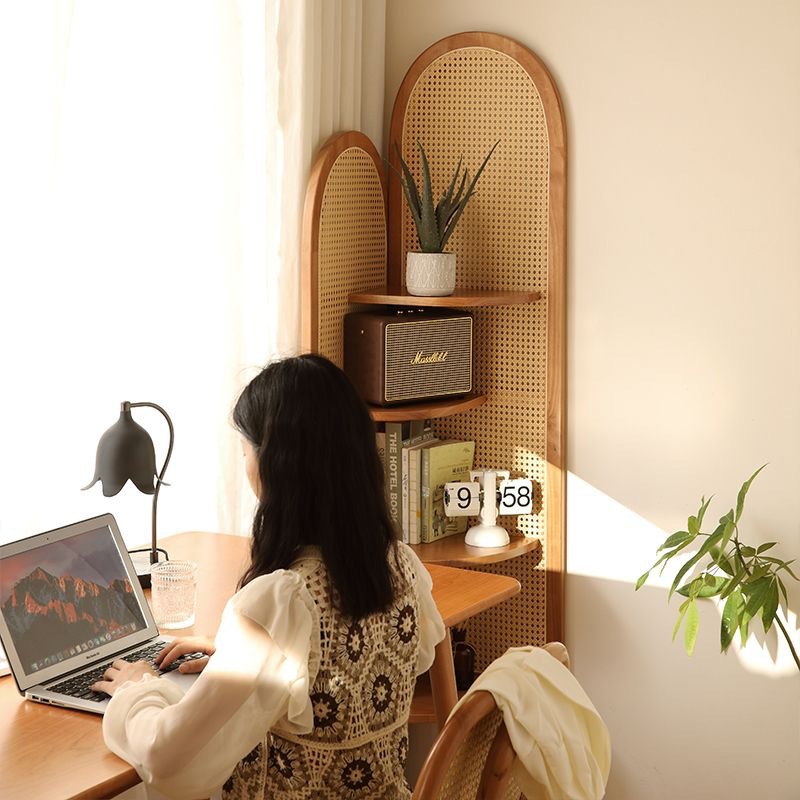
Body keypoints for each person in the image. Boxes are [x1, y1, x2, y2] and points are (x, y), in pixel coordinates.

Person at [92, 354, 446, 799]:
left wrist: (136, 690)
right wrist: (241, 654)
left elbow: (166, 758)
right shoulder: (400, 565)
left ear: (276, 465)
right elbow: (378, 661)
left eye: (245, 451)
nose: (245, 466)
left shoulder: (282, 601)